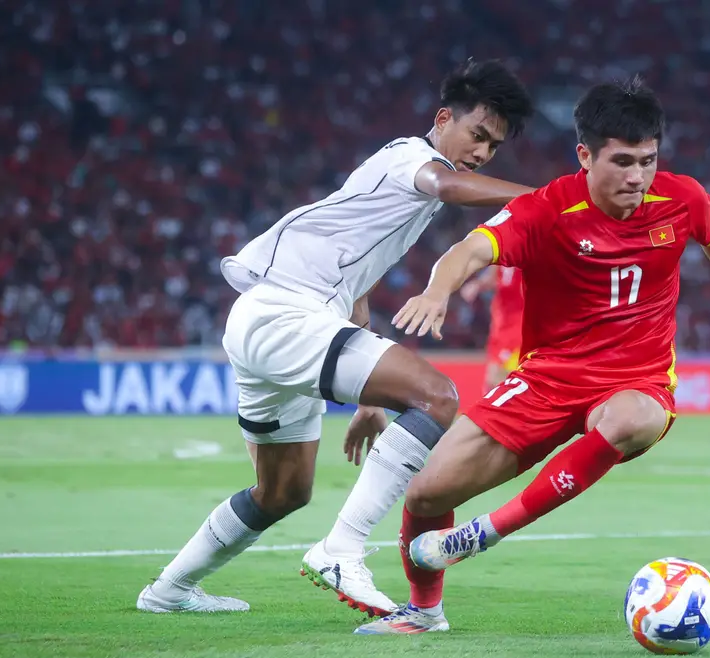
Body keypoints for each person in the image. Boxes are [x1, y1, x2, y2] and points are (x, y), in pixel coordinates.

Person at [353, 78, 710, 635]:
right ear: (585, 156)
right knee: (427, 492)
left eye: (648, 161)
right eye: (622, 162)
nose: (637, 177)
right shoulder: (548, 208)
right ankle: (424, 611)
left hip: (638, 380)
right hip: (548, 378)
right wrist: (438, 291)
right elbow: (470, 250)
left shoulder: (681, 198)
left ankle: (485, 532)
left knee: (632, 418)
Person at [137, 60, 535, 614]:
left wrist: (370, 401)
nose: (483, 152)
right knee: (437, 397)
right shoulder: (410, 158)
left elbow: (357, 289)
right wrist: (548, 197)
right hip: (286, 314)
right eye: (478, 134)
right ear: (444, 119)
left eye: (493, 146)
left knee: (282, 491)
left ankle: (169, 590)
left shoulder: (395, 197)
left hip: (274, 320)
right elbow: (447, 185)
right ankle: (341, 549)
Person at [460, 265, 525, 391]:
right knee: (491, 381)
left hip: (518, 324)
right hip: (500, 324)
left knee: (503, 378)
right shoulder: (502, 258)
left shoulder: (528, 257)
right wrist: (477, 285)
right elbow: (491, 278)